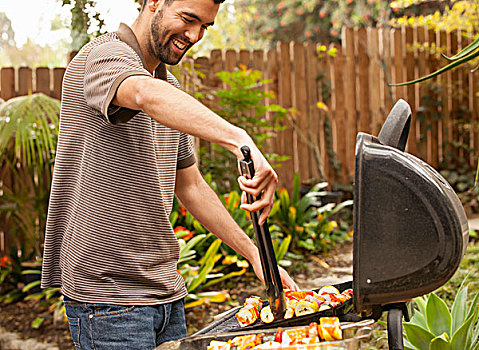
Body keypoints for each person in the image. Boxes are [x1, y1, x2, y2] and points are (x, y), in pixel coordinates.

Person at [41, 0, 299, 348]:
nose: (194, 35)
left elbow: (191, 186)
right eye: (188, 18)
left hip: (166, 295)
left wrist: (255, 255)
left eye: (204, 27)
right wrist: (239, 139)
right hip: (109, 300)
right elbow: (143, 94)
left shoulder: (170, 90)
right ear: (153, 2)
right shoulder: (102, 57)